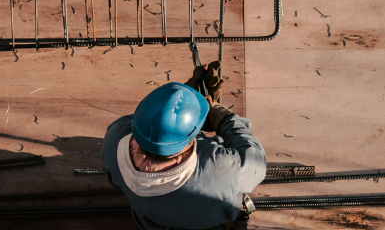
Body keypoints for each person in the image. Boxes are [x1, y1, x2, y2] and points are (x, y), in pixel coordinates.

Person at [101, 62, 266, 229]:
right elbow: (256, 163)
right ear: (191, 134)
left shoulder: (114, 138)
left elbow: (145, 121)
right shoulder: (220, 167)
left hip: (149, 220)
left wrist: (176, 104)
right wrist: (225, 120)